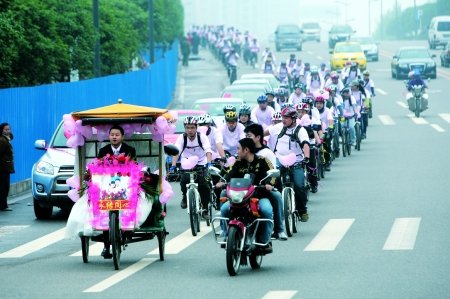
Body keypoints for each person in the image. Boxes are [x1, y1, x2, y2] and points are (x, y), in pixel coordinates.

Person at [217, 138, 275, 253]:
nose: (237, 151)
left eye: (238, 149)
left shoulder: (263, 161)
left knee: (267, 210)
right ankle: (226, 235)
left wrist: (269, 184)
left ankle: (265, 241)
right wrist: (222, 182)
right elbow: (230, 174)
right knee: (224, 209)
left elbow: (272, 174)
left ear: (246, 150)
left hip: (259, 197)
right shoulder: (238, 162)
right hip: (239, 197)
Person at [98, 125, 136, 259]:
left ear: (122, 136)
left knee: (133, 200)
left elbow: (133, 167)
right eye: (112, 134)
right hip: (107, 185)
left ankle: (127, 230)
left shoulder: (130, 150)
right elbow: (99, 167)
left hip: (124, 184)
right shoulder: (103, 150)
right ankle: (106, 246)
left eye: (117, 134)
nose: (114, 137)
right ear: (109, 136)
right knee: (103, 212)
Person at [244, 124, 288, 241]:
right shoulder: (243, 151)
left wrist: (269, 184)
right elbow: (233, 169)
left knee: (276, 196)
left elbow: (273, 172)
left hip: (261, 190)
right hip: (243, 191)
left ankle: (279, 229)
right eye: (245, 136)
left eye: (249, 136)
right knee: (224, 197)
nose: (246, 138)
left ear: (258, 137)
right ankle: (226, 232)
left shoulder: (267, 153)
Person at [269, 107, 310, 222]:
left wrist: (306, 157)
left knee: (299, 186)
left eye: (286, 118)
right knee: (273, 182)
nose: (283, 120)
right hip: (279, 159)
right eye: (283, 117)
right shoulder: (278, 128)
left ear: (293, 119)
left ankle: (302, 210)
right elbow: (264, 133)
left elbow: (305, 144)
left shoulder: (300, 130)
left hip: (296, 161)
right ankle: (276, 207)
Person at [171, 116, 212, 214]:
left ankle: (205, 208)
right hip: (187, 163)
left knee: (204, 186)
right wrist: (173, 165)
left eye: (192, 127)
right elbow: (177, 152)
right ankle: (185, 196)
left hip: (201, 162)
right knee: (184, 180)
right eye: (187, 128)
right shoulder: (182, 138)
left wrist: (209, 163)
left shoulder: (202, 137)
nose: (190, 130)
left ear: (196, 127)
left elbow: (208, 151)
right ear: (184, 128)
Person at [0, 123, 14, 212]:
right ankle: (3, 205)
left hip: (5, 167)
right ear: (1, 130)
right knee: (4, 187)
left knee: (4, 187)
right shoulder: (2, 140)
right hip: (3, 167)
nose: (8, 131)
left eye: (9, 129)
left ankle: (3, 204)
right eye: (5, 129)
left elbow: (12, 137)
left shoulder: (6, 139)